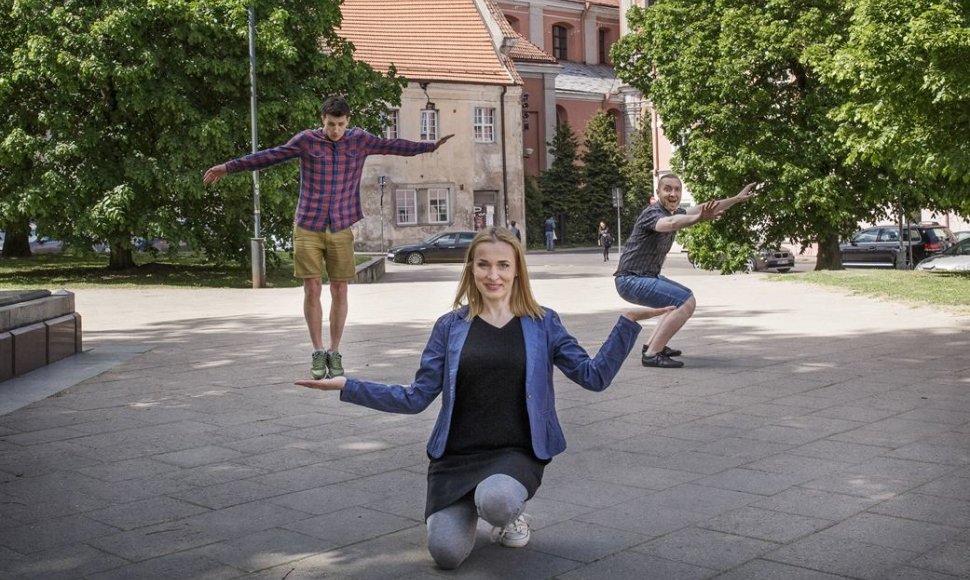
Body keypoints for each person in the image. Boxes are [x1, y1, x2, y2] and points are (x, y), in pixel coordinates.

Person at [295, 227, 672, 570]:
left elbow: (594, 377)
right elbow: (416, 397)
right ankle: (468, 503)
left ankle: (506, 511)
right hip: (457, 457)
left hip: (515, 451)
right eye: (484, 265)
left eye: (503, 265)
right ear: (471, 269)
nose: (493, 275)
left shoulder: (543, 323)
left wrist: (628, 323)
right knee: (445, 555)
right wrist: (348, 386)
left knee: (499, 501)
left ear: (517, 271)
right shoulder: (450, 326)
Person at [203, 96, 453, 380]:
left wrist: (429, 146)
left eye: (341, 124)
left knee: (340, 289)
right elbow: (269, 155)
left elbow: (394, 145)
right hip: (308, 224)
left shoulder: (360, 140)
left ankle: (334, 350)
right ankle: (317, 350)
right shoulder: (306, 141)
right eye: (331, 124)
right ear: (322, 120)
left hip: (341, 225)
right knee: (311, 288)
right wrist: (228, 166)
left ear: (348, 121)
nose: (335, 130)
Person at [614, 174, 757, 368]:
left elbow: (703, 207)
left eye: (677, 189)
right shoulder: (652, 213)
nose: (673, 194)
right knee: (686, 301)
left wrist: (736, 198)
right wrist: (699, 218)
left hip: (643, 277)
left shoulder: (674, 212)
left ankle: (654, 345)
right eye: (667, 189)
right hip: (630, 280)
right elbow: (671, 224)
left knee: (674, 304)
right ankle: (652, 355)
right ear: (658, 192)